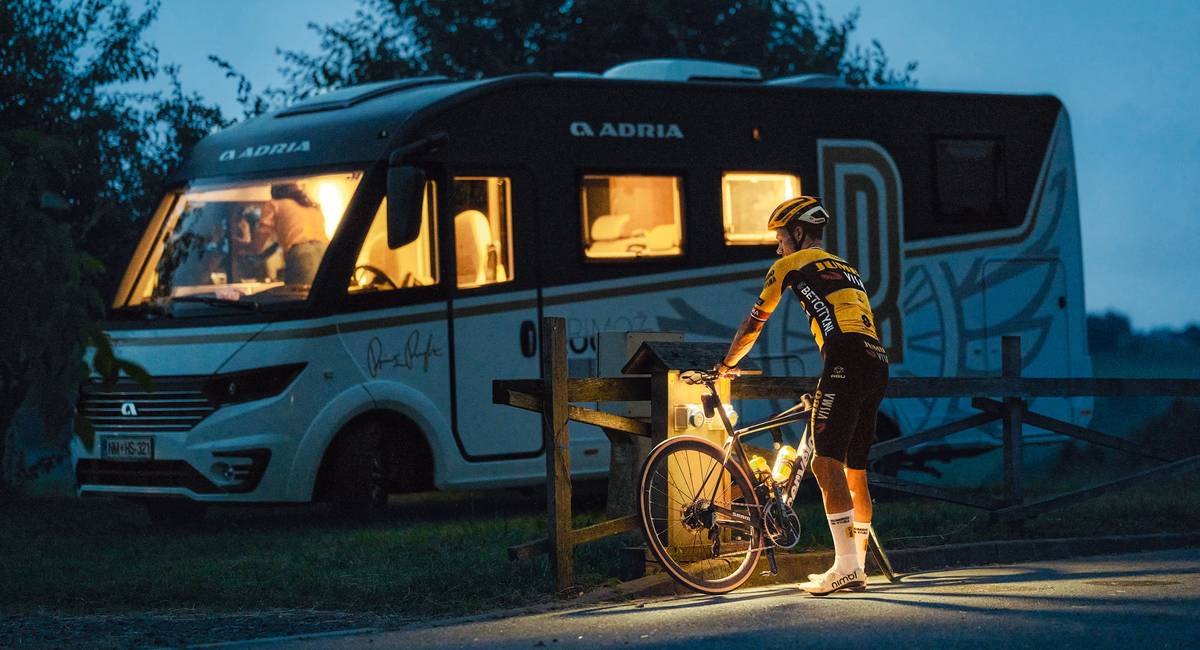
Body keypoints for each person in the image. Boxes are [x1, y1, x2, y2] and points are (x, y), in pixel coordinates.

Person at [715, 195, 890, 596]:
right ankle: (857, 566)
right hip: (877, 360)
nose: (778, 249)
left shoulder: (789, 266)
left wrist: (726, 365)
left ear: (797, 232)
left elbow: (754, 324)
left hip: (845, 358)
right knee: (855, 469)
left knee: (825, 464)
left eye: (781, 238)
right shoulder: (847, 267)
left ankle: (845, 566)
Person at [237, 183, 329, 286]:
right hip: (326, 250)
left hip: (302, 254)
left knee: (301, 294)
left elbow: (258, 246)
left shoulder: (273, 204)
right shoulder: (311, 206)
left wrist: (240, 245)